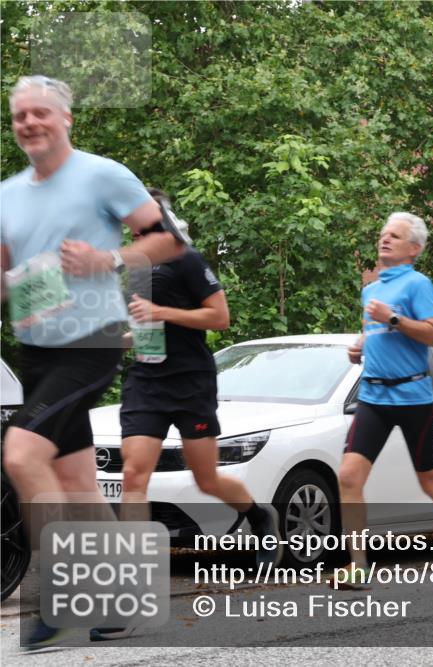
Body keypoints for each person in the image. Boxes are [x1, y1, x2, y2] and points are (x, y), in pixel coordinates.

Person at [0, 75, 184, 650]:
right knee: (78, 483)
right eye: (19, 116)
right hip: (37, 350)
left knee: (21, 453)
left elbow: (167, 240)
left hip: (93, 342)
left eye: (40, 114)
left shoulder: (103, 174)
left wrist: (107, 258)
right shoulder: (7, 192)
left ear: (65, 118)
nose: (29, 123)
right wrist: (16, 284)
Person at [89, 189, 281, 641]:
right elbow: (143, 333)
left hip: (191, 382)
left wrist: (162, 312)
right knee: (135, 477)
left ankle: (258, 516)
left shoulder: (187, 259)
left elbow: (219, 317)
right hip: (146, 384)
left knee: (206, 479)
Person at [334, 212, 433, 590]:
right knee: (348, 476)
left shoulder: (417, 284)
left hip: (412, 397)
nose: (385, 240)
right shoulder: (370, 289)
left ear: (414, 249)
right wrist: (361, 347)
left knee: (431, 481)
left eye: (394, 236)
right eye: (383, 234)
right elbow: (376, 333)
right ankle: (358, 565)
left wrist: (393, 318)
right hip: (373, 396)